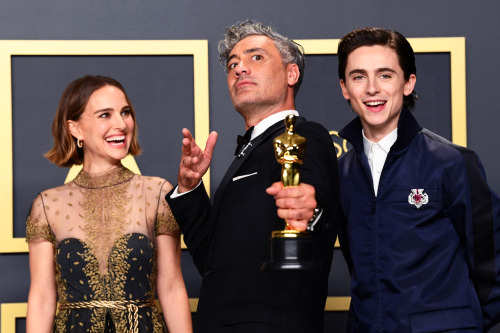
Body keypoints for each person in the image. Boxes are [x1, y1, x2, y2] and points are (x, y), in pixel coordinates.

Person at [165, 20, 340, 332]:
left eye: (256, 57)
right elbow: (211, 260)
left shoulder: (305, 136)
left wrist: (307, 209)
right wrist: (189, 189)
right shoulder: (247, 153)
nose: (240, 69)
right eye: (233, 63)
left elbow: (311, 196)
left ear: (291, 73)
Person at [336, 27, 500, 332]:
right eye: (359, 77)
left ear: (408, 83)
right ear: (345, 88)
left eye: (385, 75)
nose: (372, 88)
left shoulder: (451, 162)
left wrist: (460, 325)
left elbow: (493, 262)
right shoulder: (341, 173)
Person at [25, 75, 192, 333]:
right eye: (105, 115)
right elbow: (42, 298)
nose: (121, 124)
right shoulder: (47, 205)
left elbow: (171, 287)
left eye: (125, 113)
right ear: (75, 129)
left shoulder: (156, 192)